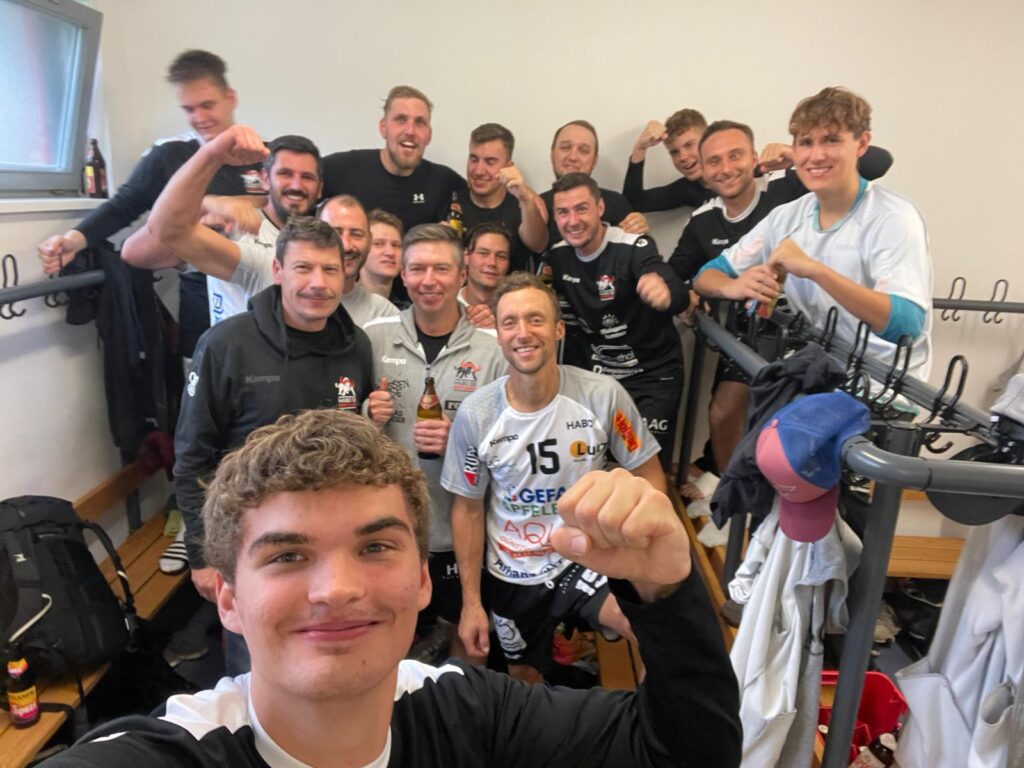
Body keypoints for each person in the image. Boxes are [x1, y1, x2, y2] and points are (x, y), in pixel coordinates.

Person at [45, 408, 741, 767]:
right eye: (288, 556)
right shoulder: (174, 753)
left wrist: (667, 591)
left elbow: (682, 754)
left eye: (375, 546)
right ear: (228, 598)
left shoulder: (469, 713)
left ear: (420, 578)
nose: (337, 588)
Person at [174, 216, 373, 674]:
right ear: (278, 271)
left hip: (334, 546)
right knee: (257, 675)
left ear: (345, 274)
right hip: (251, 547)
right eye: (304, 268)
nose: (318, 283)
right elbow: (191, 459)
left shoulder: (356, 346)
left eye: (329, 269)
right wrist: (202, 555)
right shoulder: (226, 344)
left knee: (326, 667)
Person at [443, 273, 666, 682]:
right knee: (524, 676)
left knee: (649, 629)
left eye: (536, 319)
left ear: (558, 329)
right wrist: (471, 602)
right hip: (515, 570)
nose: (523, 333)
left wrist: (631, 540)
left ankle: (655, 719)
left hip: (586, 556)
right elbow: (468, 509)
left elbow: (648, 472)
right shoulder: (476, 415)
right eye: (510, 322)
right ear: (498, 334)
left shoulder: (604, 396)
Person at [671, 120, 895, 480]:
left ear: (754, 157)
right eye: (714, 161)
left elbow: (877, 162)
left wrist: (799, 155)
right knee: (724, 412)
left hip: (818, 329)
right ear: (704, 170)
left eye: (735, 156)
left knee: (801, 429)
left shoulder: (786, 185)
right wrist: (716, 287)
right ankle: (733, 494)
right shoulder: (703, 220)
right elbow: (684, 273)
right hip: (754, 328)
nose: (726, 168)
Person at [694, 87, 932, 382]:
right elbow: (707, 275)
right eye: (806, 143)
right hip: (822, 370)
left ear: (861, 144)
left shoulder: (893, 217)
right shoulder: (787, 217)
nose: (816, 156)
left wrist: (815, 270)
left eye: (831, 140)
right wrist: (735, 286)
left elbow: (906, 326)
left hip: (883, 388)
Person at [37, 50, 260, 359]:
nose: (199, 118)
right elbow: (125, 205)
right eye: (189, 109)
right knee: (201, 377)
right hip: (200, 292)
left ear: (230, 98)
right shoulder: (170, 154)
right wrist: (74, 240)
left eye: (207, 105)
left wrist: (243, 203)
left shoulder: (266, 157)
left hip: (263, 290)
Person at [361, 224, 506, 654]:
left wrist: (460, 441)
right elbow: (343, 422)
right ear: (403, 275)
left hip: (463, 533)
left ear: (462, 274)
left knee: (469, 644)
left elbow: (512, 447)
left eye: (441, 268)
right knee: (387, 642)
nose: (429, 280)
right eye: (418, 269)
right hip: (386, 529)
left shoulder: (494, 347)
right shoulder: (372, 336)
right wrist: (367, 415)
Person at [546, 172, 689, 472]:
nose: (573, 220)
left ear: (600, 208)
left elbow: (669, 283)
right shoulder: (558, 257)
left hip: (650, 377)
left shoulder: (633, 246)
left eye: (581, 209)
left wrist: (665, 290)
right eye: (563, 212)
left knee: (644, 470)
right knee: (591, 467)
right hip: (597, 380)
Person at [122, 127, 322, 326]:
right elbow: (135, 253)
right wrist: (205, 204)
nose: (296, 185)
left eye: (307, 177)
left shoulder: (326, 236)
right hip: (233, 345)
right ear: (265, 180)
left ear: (320, 188)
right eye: (285, 174)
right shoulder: (231, 223)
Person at [320, 85, 465, 229]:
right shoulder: (339, 170)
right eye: (401, 120)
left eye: (420, 122)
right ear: (383, 128)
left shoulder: (445, 183)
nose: (410, 131)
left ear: (429, 135)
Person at [452, 122, 548, 272]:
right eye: (474, 159)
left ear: (508, 167)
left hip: (511, 287)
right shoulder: (452, 202)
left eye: (490, 162)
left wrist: (526, 199)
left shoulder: (521, 206)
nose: (478, 171)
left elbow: (538, 245)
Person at [539, 120, 649, 243]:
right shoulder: (535, 207)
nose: (573, 157)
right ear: (552, 154)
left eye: (583, 150)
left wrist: (639, 230)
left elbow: (637, 248)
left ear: (594, 160)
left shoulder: (617, 204)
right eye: (565, 147)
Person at [317, 196, 399, 326]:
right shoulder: (289, 301)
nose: (346, 246)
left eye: (356, 234)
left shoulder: (385, 314)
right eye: (335, 233)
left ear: (369, 241)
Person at [623, 108, 713, 213]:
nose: (683, 157)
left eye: (689, 145)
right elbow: (633, 204)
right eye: (675, 152)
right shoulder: (690, 188)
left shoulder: (731, 175)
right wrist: (640, 148)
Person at [457, 222, 513, 329]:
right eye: (483, 253)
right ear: (466, 256)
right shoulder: (447, 306)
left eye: (501, 256)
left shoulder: (517, 312)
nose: (492, 263)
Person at [360, 208, 407, 307]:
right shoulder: (337, 308)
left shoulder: (408, 312)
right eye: (378, 244)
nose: (390, 252)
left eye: (396, 245)